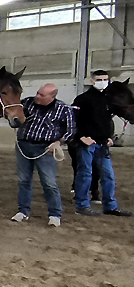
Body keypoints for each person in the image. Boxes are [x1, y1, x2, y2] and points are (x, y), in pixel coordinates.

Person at [11, 83, 75, 227]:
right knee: (23, 180)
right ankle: (23, 211)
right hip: (24, 145)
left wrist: (59, 142)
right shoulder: (28, 103)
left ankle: (55, 214)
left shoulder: (64, 109)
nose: (37, 96)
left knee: (49, 183)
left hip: (45, 149)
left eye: (41, 95)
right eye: (38, 93)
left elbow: (70, 131)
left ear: (52, 97)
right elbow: (14, 111)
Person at [72, 70, 132, 218]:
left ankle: (110, 206)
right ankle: (82, 205)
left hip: (103, 144)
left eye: (105, 79)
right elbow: (72, 121)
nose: (103, 82)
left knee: (108, 176)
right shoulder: (82, 99)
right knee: (85, 174)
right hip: (88, 144)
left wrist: (109, 137)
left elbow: (106, 121)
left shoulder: (108, 99)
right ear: (92, 81)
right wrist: (81, 137)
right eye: (99, 80)